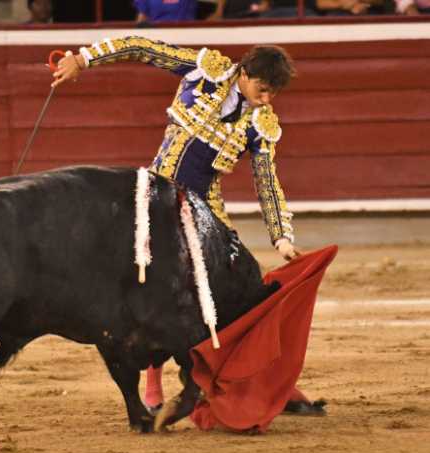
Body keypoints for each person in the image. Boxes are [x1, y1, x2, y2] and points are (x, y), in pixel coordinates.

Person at [52, 36, 299, 413]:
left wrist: (281, 237)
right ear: (244, 73)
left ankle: (262, 379)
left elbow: (267, 181)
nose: (266, 100)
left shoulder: (260, 123)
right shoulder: (204, 70)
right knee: (148, 286)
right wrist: (84, 60)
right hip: (155, 196)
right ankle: (153, 378)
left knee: (241, 288)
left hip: (206, 209)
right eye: (263, 90)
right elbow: (141, 47)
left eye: (273, 94)